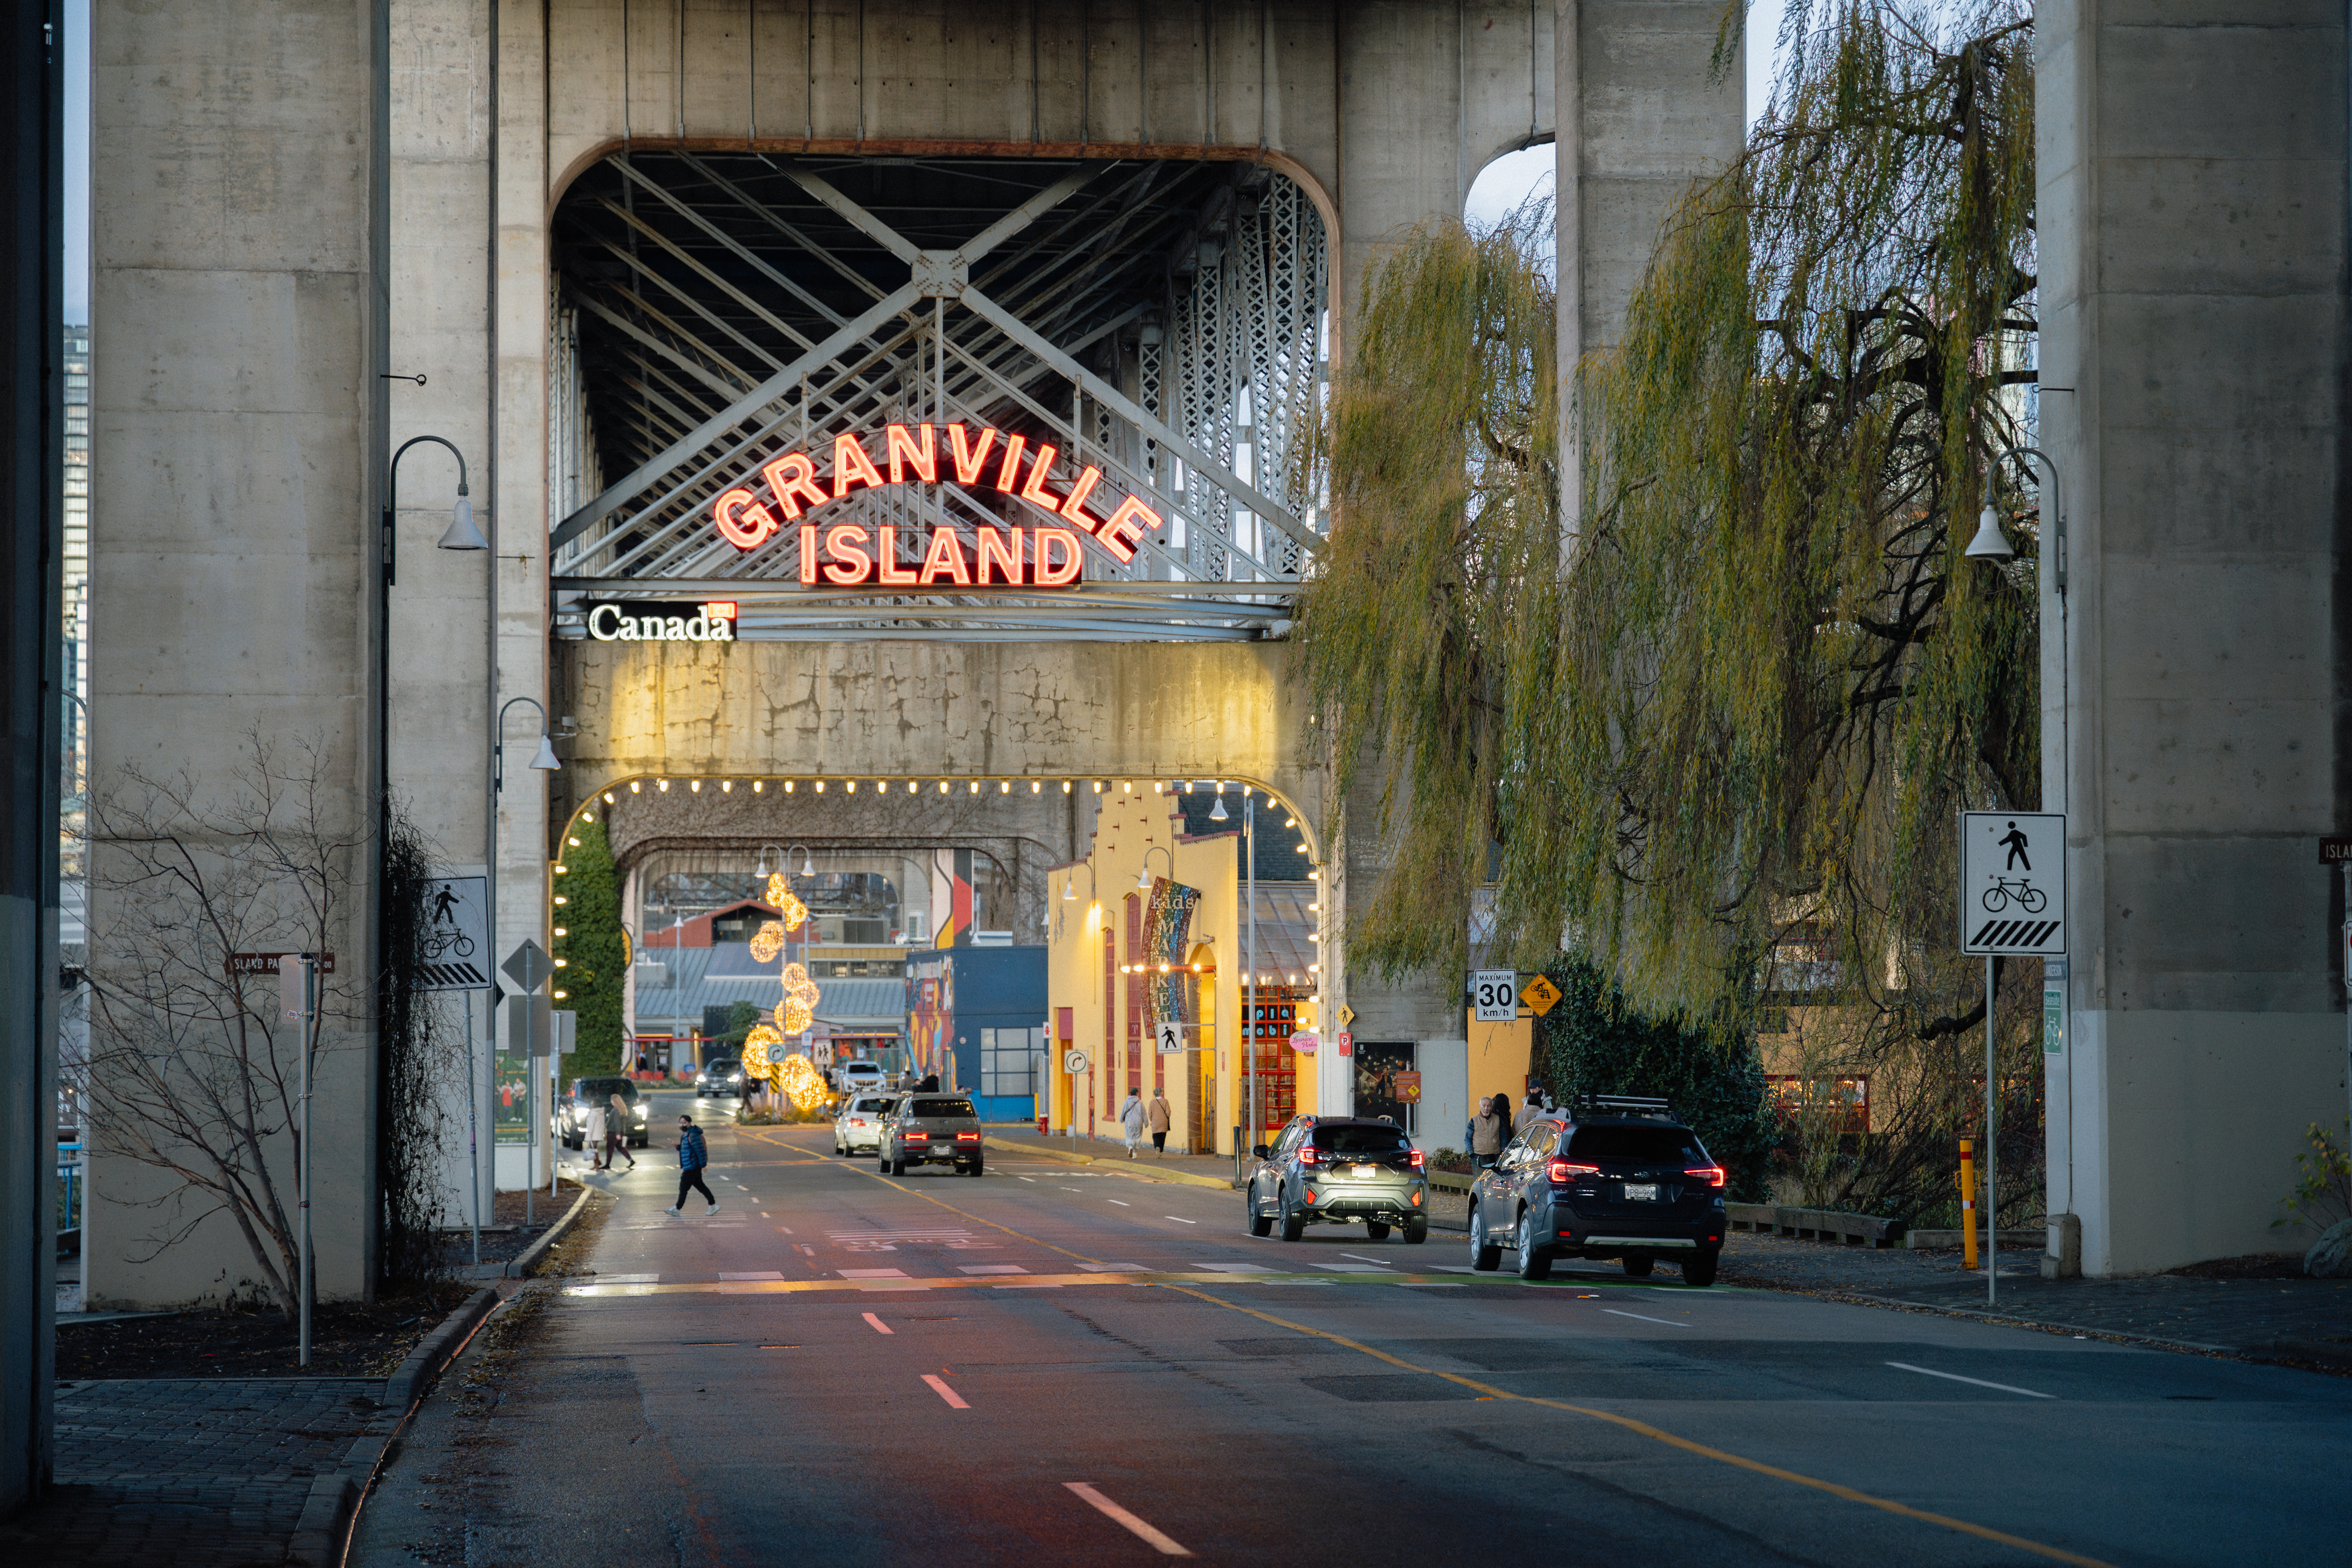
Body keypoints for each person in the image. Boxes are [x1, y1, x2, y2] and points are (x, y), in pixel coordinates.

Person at [665, 1115, 718, 1215]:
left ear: (690, 1123)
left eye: (685, 1123)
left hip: (693, 1166)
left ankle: (677, 1209)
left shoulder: (693, 1135)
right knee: (701, 1187)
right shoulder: (685, 1135)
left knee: (683, 1189)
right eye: (681, 1123)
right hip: (690, 1166)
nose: (682, 1125)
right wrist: (678, 1147)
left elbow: (700, 1150)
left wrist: (703, 1165)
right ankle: (713, 1205)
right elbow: (687, 1149)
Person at [1471, 1095, 1508, 1171]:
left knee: (1494, 1180)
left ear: (1492, 1108)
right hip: (1479, 1157)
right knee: (1480, 1181)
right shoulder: (1474, 1121)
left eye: (1489, 1106)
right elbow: (1468, 1139)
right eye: (1484, 1106)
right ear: (1480, 1106)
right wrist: (1471, 1154)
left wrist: (1502, 1150)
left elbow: (1504, 1136)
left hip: (1495, 1156)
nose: (1486, 1109)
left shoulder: (1498, 1119)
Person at [606, 1091, 636, 1171]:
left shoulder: (616, 1111)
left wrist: (618, 1133)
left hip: (614, 1132)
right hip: (621, 1132)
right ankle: (631, 1160)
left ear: (615, 1101)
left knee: (610, 1148)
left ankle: (607, 1164)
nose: (611, 1102)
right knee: (620, 1147)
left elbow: (617, 1123)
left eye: (612, 1100)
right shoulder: (623, 1110)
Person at [1119, 1086, 1146, 1159]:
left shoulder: (1127, 1101)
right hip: (1139, 1123)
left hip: (1129, 1122)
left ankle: (1130, 1147)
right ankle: (1135, 1154)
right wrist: (1146, 1123)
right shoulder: (1140, 1103)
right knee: (1138, 1137)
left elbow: (1123, 1111)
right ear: (1137, 1093)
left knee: (1129, 1136)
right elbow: (1144, 1113)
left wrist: (1121, 1119)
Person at [582, 1100, 607, 1171]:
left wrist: (588, 1136)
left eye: (592, 1102)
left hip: (593, 1134)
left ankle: (597, 1164)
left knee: (594, 1149)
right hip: (599, 1133)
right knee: (595, 1149)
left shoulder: (593, 1113)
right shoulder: (601, 1112)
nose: (591, 1103)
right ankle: (598, 1163)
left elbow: (591, 1126)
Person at [1146, 1087, 1172, 1156]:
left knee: (1156, 1136)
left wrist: (1153, 1120)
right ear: (1161, 1093)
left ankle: (1157, 1147)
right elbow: (1168, 1113)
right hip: (1164, 1122)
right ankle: (1160, 1151)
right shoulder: (1165, 1101)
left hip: (1155, 1122)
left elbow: (1149, 1113)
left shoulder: (1152, 1102)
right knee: (1163, 1136)